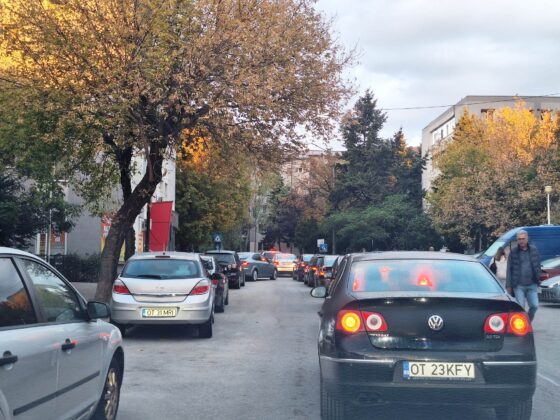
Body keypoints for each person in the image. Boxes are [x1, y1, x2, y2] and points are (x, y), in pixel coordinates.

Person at [506, 230, 541, 321]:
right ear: (517, 240)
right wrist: (508, 285)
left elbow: (537, 265)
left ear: (527, 238)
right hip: (518, 285)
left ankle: (527, 322)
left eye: (523, 238)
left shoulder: (534, 250)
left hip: (532, 284)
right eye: (519, 239)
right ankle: (522, 325)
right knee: (520, 307)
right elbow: (509, 269)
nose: (521, 241)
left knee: (534, 305)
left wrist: (538, 277)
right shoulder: (513, 252)